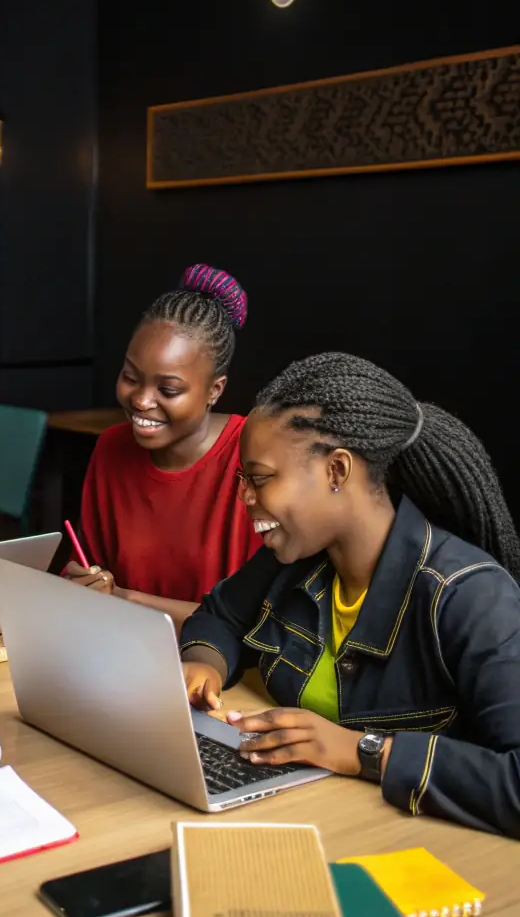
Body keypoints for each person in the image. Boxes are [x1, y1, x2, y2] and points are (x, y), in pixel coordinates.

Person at [181, 352, 520, 839]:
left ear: (337, 470)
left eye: (260, 478)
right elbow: (221, 616)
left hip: (413, 847)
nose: (245, 497)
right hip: (307, 819)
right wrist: (204, 665)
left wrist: (362, 751)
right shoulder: (295, 557)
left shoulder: (469, 596)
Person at [65, 264, 258, 628]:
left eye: (168, 390)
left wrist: (122, 598)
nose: (141, 401)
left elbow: (252, 623)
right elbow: (90, 569)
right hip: (120, 646)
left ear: (215, 390)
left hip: (215, 662)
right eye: (130, 377)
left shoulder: (255, 456)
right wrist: (83, 583)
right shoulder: (111, 448)